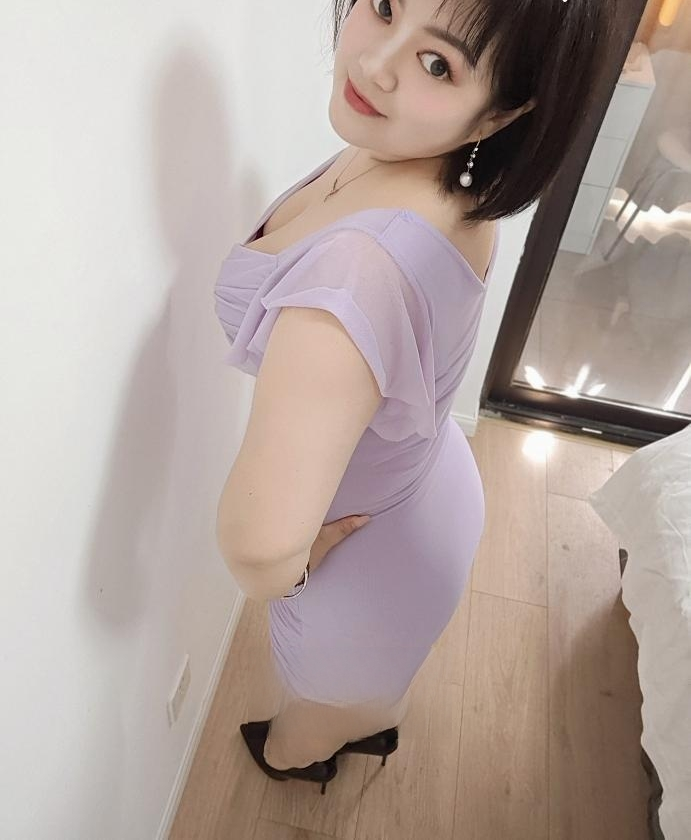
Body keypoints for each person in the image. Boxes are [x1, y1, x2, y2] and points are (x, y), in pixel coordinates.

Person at [214, 0, 617, 793]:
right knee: (360, 691)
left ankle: (308, 758)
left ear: (500, 113)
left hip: (360, 560)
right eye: (384, 6)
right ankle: (364, 722)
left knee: (302, 732)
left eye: (437, 63)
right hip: (428, 486)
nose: (373, 64)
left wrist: (290, 572)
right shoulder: (441, 170)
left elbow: (258, 552)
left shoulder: (354, 273)